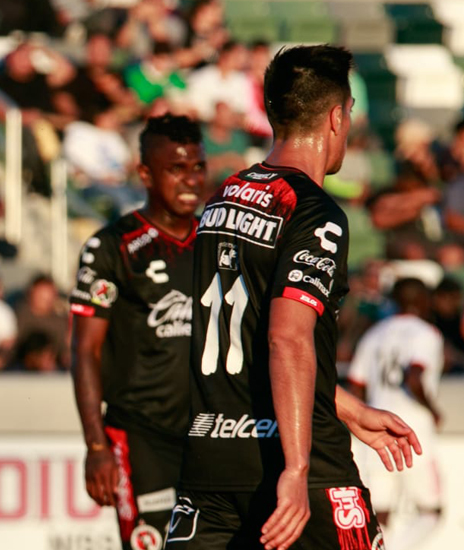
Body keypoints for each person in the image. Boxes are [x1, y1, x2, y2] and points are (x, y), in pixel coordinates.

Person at [169, 45, 422, 550]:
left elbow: (251, 338)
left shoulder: (223, 198)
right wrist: (298, 467)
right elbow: (287, 339)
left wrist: (350, 409)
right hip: (297, 464)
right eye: (349, 115)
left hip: (211, 465)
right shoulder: (313, 213)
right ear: (335, 117)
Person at [70, 114, 205, 550]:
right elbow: (85, 351)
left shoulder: (220, 244)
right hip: (141, 434)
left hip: (213, 432)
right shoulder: (112, 247)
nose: (190, 181)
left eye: (197, 167)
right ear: (145, 173)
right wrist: (96, 446)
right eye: (176, 169)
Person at [348, 278, 444, 550]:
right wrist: (433, 410)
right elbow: (415, 377)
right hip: (413, 426)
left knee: (381, 514)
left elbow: (356, 383)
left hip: (377, 426)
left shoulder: (375, 333)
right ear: (422, 300)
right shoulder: (426, 333)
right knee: (431, 511)